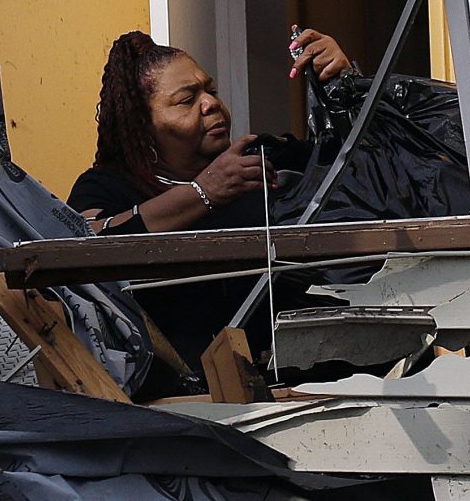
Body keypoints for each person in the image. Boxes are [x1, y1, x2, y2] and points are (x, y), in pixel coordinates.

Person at [70, 25, 351, 365]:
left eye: (211, 91)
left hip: (316, 366)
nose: (210, 104)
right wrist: (204, 192)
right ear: (142, 125)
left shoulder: (260, 160)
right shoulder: (106, 186)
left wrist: (344, 80)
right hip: (193, 389)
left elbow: (360, 165)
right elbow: (84, 245)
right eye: (187, 100)